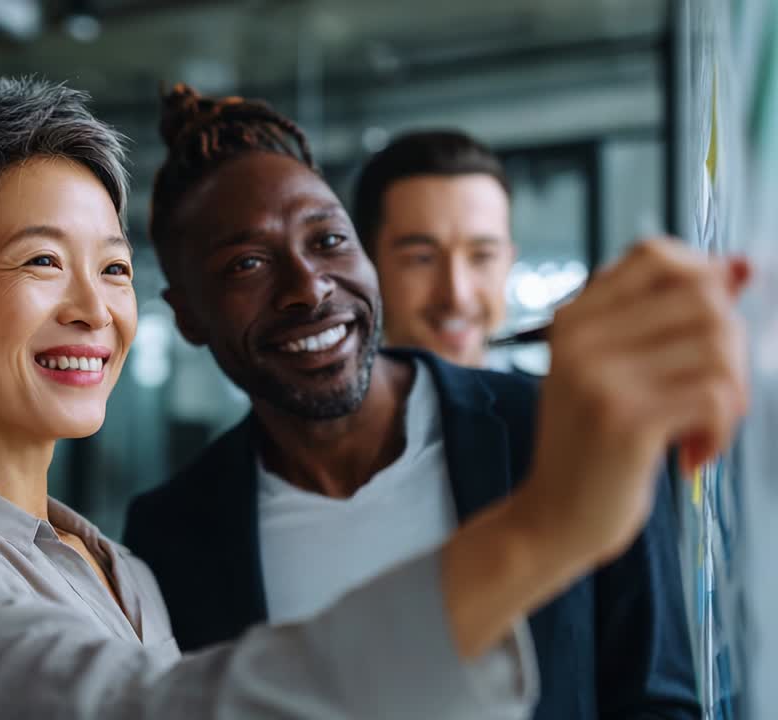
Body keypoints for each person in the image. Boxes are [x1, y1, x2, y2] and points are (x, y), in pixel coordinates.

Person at [0, 77, 748, 720]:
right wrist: (546, 529)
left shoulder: (125, 569)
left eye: (110, 269)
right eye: (42, 262)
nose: (93, 310)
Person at [124, 86, 712, 719]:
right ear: (187, 315)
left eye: (327, 241)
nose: (309, 288)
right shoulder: (172, 534)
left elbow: (657, 703)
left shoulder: (561, 431)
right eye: (247, 264)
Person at [350, 130, 516, 368]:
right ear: (367, 264)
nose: (457, 296)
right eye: (422, 259)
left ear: (509, 262)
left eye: (482, 256)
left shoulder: (553, 403)